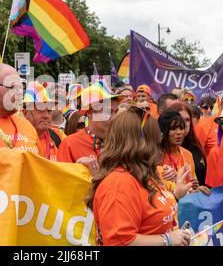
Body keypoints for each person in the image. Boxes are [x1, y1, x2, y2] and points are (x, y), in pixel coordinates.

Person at [86, 105, 192, 246]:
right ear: (142, 142)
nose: (158, 142)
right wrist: (168, 239)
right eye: (155, 136)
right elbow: (119, 241)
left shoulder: (143, 173)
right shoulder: (119, 183)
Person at [57, 82, 120, 175]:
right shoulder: (70, 144)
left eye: (116, 111)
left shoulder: (123, 142)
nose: (114, 117)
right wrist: (77, 169)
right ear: (90, 113)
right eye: (109, 112)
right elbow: (60, 181)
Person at [168, 102, 208, 188]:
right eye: (179, 119)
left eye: (187, 120)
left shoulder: (196, 148)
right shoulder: (158, 151)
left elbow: (203, 182)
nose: (184, 124)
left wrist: (198, 188)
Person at [23, 82, 66, 161]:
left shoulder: (58, 135)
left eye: (49, 111)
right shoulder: (17, 137)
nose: (46, 116)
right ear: (26, 113)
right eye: (41, 110)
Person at [158, 110, 199, 191]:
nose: (179, 132)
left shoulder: (188, 154)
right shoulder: (156, 156)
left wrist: (197, 187)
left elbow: (193, 183)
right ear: (164, 130)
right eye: (173, 129)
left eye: (181, 128)